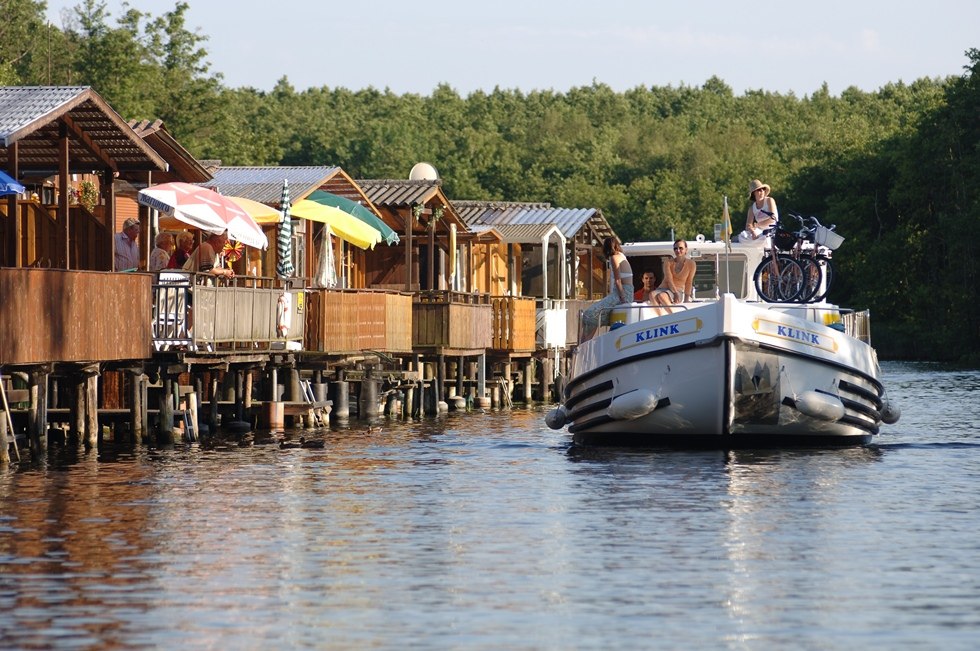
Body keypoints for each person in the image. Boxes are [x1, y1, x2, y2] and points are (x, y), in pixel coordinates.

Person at [580, 237, 633, 342]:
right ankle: (585, 342)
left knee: (590, 314)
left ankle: (584, 343)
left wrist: (623, 299)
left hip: (622, 293)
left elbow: (618, 281)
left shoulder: (614, 257)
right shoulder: (622, 256)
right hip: (627, 291)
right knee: (593, 314)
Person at [649, 239, 696, 315]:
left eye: (681, 248)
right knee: (652, 294)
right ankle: (660, 318)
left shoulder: (691, 264)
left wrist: (686, 299)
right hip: (664, 288)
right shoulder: (668, 262)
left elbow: (689, 282)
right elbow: (669, 279)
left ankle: (673, 317)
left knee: (662, 296)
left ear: (686, 250)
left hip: (678, 290)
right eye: (675, 248)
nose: (678, 250)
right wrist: (675, 293)